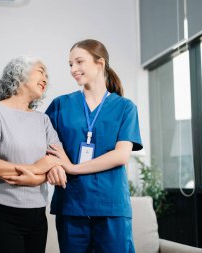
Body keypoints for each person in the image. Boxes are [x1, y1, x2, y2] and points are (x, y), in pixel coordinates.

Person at [45, 39, 143, 253]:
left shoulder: (125, 108)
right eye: (70, 64)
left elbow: (120, 156)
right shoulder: (60, 105)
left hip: (111, 207)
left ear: (100, 63)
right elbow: (44, 146)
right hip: (71, 205)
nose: (73, 69)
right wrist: (53, 165)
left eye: (79, 62)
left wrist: (72, 168)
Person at [0, 55, 65, 253]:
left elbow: (57, 157)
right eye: (41, 71)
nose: (46, 78)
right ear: (19, 73)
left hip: (38, 214)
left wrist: (35, 179)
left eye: (47, 75)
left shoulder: (43, 120)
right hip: (2, 213)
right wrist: (36, 169)